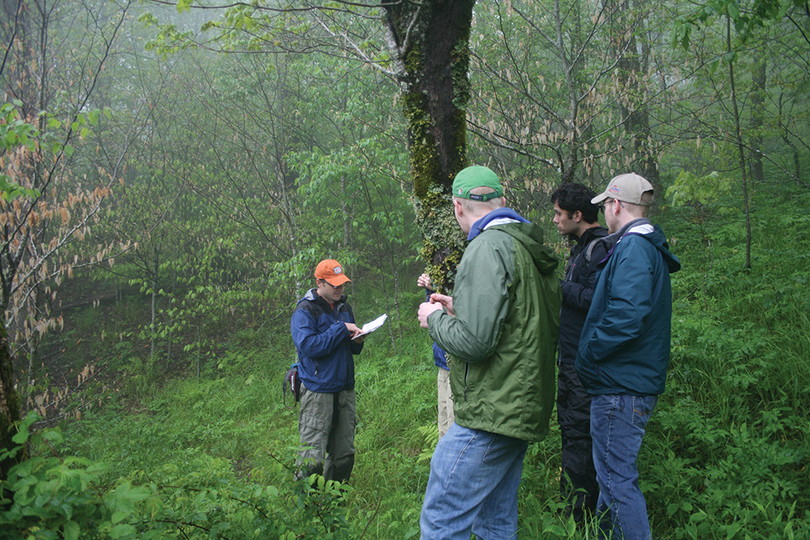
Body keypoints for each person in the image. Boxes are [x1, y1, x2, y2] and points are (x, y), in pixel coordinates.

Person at [417, 165, 561, 540]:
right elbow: (518, 322)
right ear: (502, 200)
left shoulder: (485, 247)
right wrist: (459, 308)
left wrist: (434, 319)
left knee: (442, 520)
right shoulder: (524, 246)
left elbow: (475, 344)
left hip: (491, 410)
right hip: (521, 403)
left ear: (457, 207)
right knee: (495, 521)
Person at [575, 173, 681, 540]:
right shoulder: (638, 246)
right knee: (611, 481)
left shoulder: (634, 249)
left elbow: (626, 316)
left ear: (616, 205)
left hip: (621, 386)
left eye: (605, 204)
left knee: (618, 484)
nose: (605, 211)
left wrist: (588, 353)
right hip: (625, 382)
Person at [551, 183, 609, 523]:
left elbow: (594, 300)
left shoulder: (600, 248)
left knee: (579, 435)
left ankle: (579, 516)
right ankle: (571, 508)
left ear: (577, 215)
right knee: (571, 431)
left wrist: (559, 288)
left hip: (584, 364)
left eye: (559, 214)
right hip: (570, 358)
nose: (555, 220)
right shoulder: (581, 248)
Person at [291, 259, 365, 483]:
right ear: (319, 283)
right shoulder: (305, 311)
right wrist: (340, 329)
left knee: (344, 453)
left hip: (344, 391)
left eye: (341, 284)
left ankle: (335, 506)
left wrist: (358, 339)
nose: (339, 289)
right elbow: (310, 346)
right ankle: (308, 508)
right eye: (334, 285)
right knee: (312, 456)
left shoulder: (344, 307)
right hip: (318, 392)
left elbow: (351, 349)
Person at [417, 273, 454, 439]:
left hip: (458, 366)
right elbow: (435, 320)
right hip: (442, 363)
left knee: (455, 426)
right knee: (443, 424)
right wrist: (431, 292)